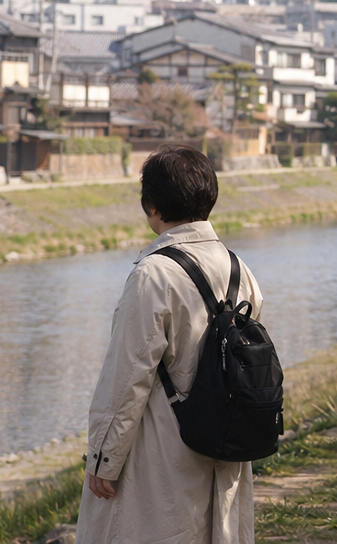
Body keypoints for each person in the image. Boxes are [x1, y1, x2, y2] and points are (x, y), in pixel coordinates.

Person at [76, 145, 264, 544]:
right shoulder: (238, 268)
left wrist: (104, 458)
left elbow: (127, 376)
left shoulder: (153, 274)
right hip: (224, 438)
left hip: (163, 444)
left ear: (152, 206)